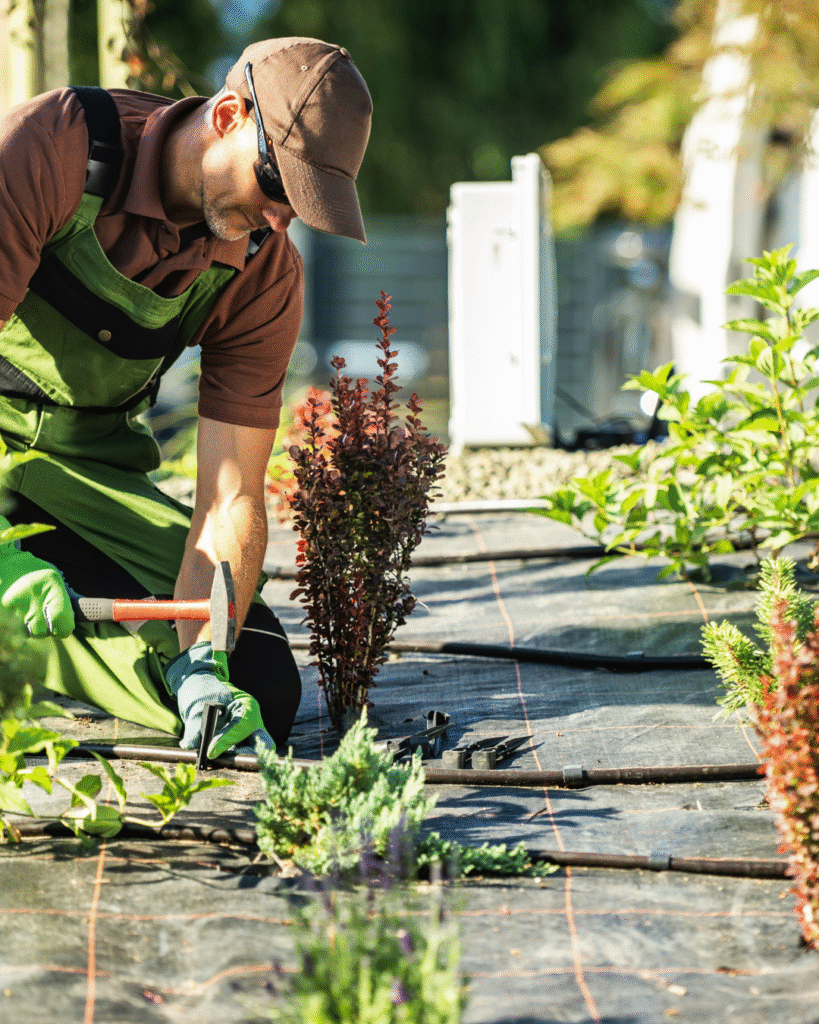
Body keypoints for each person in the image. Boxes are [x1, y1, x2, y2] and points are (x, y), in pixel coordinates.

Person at [0, 37, 373, 757]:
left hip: (79, 476)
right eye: (277, 186)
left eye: (303, 205)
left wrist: (204, 659)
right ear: (229, 115)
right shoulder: (50, 150)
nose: (280, 218)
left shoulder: (262, 274)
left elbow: (229, 500)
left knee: (257, 672)